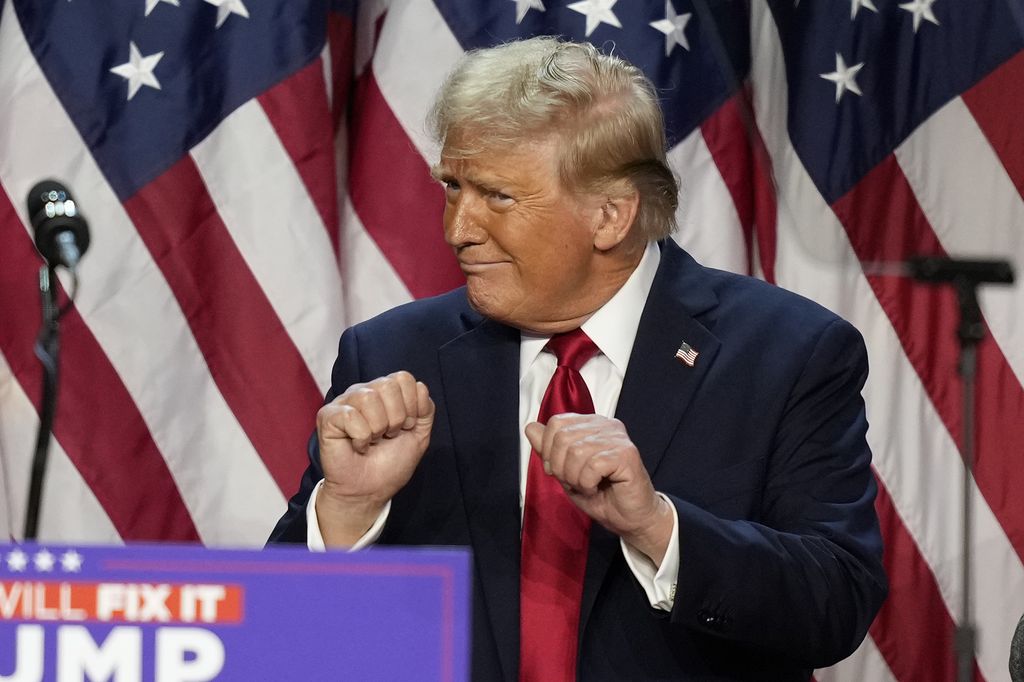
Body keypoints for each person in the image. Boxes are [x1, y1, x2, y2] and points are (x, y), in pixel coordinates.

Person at [269, 36, 887, 681]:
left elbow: (835, 604)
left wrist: (657, 527)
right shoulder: (394, 354)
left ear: (611, 215)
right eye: (453, 187)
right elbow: (288, 639)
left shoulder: (786, 353)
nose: (458, 227)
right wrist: (346, 509)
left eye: (498, 196)